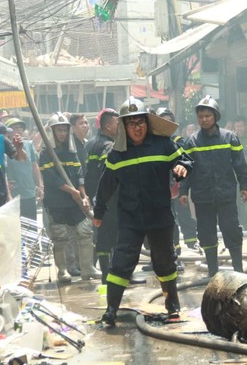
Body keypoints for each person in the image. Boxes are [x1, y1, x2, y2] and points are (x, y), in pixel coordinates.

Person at [93, 97, 192, 327]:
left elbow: (186, 162)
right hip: (130, 219)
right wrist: (99, 211)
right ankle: (110, 311)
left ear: (148, 123)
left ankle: (172, 307)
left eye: (141, 122)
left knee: (165, 262)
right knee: (120, 264)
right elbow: (105, 184)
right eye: (131, 123)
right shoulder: (117, 154)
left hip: (160, 216)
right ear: (123, 127)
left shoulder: (163, 145)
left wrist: (182, 168)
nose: (137, 128)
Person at [179, 96, 247, 277]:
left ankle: (238, 271)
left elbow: (240, 164)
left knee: (231, 230)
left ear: (215, 116)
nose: (204, 119)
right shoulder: (191, 142)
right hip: (202, 196)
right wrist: (183, 191)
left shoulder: (229, 138)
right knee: (206, 233)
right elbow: (184, 168)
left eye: (207, 116)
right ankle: (213, 272)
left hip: (225, 195)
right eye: (201, 116)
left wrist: (244, 185)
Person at [40, 113, 101, 283]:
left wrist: (83, 194)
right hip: (57, 202)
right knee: (60, 236)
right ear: (52, 131)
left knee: (85, 231)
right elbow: (52, 179)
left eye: (65, 130)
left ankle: (87, 268)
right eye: (59, 130)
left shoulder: (71, 151)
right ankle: (62, 271)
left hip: (75, 201)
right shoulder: (46, 153)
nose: (62, 134)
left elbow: (79, 173)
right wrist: (72, 192)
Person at [156, 107, 199, 253]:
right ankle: (167, 250)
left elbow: (186, 162)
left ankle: (187, 242)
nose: (166, 125)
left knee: (180, 214)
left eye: (169, 122)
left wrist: (178, 181)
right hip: (158, 187)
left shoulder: (178, 141)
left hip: (175, 185)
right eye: (162, 121)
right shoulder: (153, 142)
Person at [85, 108, 119, 284]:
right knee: (112, 237)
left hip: (93, 197)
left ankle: (105, 274)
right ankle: (111, 275)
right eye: (117, 124)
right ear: (107, 126)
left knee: (101, 236)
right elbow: (109, 175)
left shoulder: (89, 144)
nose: (120, 127)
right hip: (109, 199)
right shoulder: (109, 147)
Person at [67, 113, 91, 277]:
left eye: (86, 123)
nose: (85, 126)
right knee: (72, 232)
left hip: (86, 191)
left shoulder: (86, 145)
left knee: (85, 230)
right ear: (73, 128)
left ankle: (85, 264)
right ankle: (72, 265)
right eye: (81, 123)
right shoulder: (71, 146)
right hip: (74, 192)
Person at [5, 118, 42, 220]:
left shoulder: (28, 145)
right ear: (8, 132)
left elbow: (34, 166)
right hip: (14, 194)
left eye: (20, 128)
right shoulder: (5, 146)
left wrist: (40, 185)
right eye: (15, 128)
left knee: (31, 226)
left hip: (29, 192)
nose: (18, 130)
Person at [233, 115, 247, 229]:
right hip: (233, 174)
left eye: (241, 126)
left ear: (245, 126)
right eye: (237, 126)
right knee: (234, 199)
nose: (239, 128)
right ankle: (236, 223)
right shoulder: (230, 138)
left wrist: (245, 159)